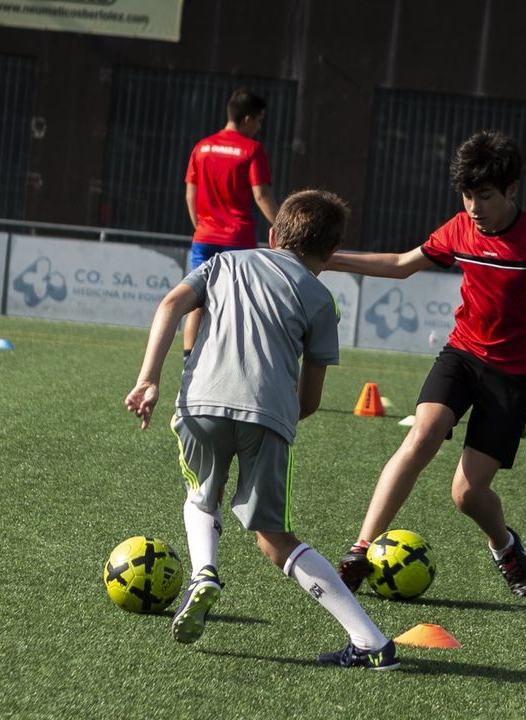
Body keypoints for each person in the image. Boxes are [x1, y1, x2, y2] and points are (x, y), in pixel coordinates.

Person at [327, 130, 526, 598]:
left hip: (513, 376)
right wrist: (328, 259)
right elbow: (402, 263)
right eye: (466, 196)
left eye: (484, 196)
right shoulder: (459, 228)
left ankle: (503, 545)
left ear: (511, 191)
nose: (474, 207)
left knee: (466, 495)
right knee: (421, 436)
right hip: (462, 355)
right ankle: (359, 550)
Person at [125, 189, 399, 670]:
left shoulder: (225, 262)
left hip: (201, 402)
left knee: (200, 496)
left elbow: (171, 303)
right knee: (274, 539)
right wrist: (279, 416)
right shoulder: (321, 299)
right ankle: (371, 641)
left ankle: (204, 571)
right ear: (330, 255)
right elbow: (309, 399)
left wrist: (148, 378)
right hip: (269, 416)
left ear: (272, 235)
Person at [182, 87, 279, 359]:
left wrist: (200, 226)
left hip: (204, 238)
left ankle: (189, 362)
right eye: (259, 121)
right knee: (240, 304)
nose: (260, 128)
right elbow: (261, 194)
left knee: (197, 301)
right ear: (247, 119)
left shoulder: (202, 147)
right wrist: (284, 227)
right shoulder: (252, 150)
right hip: (238, 240)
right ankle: (233, 363)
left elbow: (190, 193)